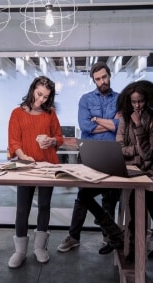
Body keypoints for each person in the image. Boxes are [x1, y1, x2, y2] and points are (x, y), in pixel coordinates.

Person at [57, 61, 121, 254]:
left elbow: (121, 126)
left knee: (110, 198)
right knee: (82, 197)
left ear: (110, 76)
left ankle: (108, 236)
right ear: (93, 80)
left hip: (111, 153)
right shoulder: (85, 99)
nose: (102, 81)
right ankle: (74, 236)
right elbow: (86, 127)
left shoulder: (120, 99)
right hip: (89, 153)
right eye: (98, 79)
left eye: (105, 77)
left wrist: (98, 121)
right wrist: (110, 123)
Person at [7, 76, 63, 268]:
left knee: (44, 206)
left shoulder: (50, 114)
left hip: (47, 166)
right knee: (22, 209)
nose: (41, 100)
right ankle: (20, 251)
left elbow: (59, 137)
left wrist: (51, 141)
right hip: (25, 167)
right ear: (32, 90)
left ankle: (40, 248)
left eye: (46, 97)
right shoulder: (17, 113)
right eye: (39, 94)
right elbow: (14, 142)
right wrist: (24, 156)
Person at [115, 80, 153, 261]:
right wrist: (136, 152)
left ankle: (135, 250)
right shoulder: (124, 118)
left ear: (149, 99)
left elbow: (148, 155)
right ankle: (122, 241)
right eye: (133, 102)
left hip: (152, 171)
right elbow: (119, 148)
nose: (137, 106)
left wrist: (138, 126)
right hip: (129, 168)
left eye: (141, 101)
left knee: (137, 199)